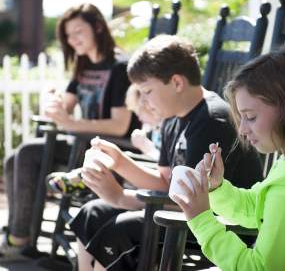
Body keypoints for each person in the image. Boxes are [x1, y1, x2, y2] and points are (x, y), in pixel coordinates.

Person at [68, 35, 263, 271]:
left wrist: (122, 197)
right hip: (182, 212)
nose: (145, 101)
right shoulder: (173, 118)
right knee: (93, 211)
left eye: (147, 91)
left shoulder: (211, 120)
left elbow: (190, 201)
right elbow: (164, 180)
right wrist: (120, 162)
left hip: (217, 223)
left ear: (177, 83)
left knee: (120, 230)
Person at [172, 47, 285, 270]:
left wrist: (201, 219)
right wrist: (217, 188)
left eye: (250, 117)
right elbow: (258, 207)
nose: (243, 130)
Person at [1, 3, 140, 256]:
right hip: (82, 145)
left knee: (29, 153)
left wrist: (71, 123)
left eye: (78, 31)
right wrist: (51, 100)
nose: (72, 39)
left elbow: (120, 126)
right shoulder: (84, 65)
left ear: (98, 27)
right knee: (14, 158)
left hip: (109, 152)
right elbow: (63, 106)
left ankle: (19, 238)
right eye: (67, 34)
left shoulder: (120, 67)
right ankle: (17, 233)